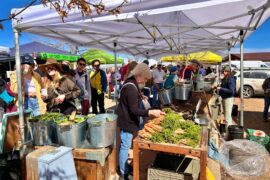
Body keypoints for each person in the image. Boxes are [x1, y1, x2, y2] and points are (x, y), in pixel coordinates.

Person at [116, 63, 165, 179]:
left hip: (127, 119)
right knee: (125, 145)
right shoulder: (130, 87)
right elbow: (133, 110)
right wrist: (150, 112)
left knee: (126, 144)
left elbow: (131, 99)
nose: (145, 81)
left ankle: (125, 168)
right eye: (145, 78)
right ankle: (124, 172)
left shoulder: (131, 82)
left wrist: (140, 96)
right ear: (139, 74)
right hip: (126, 121)